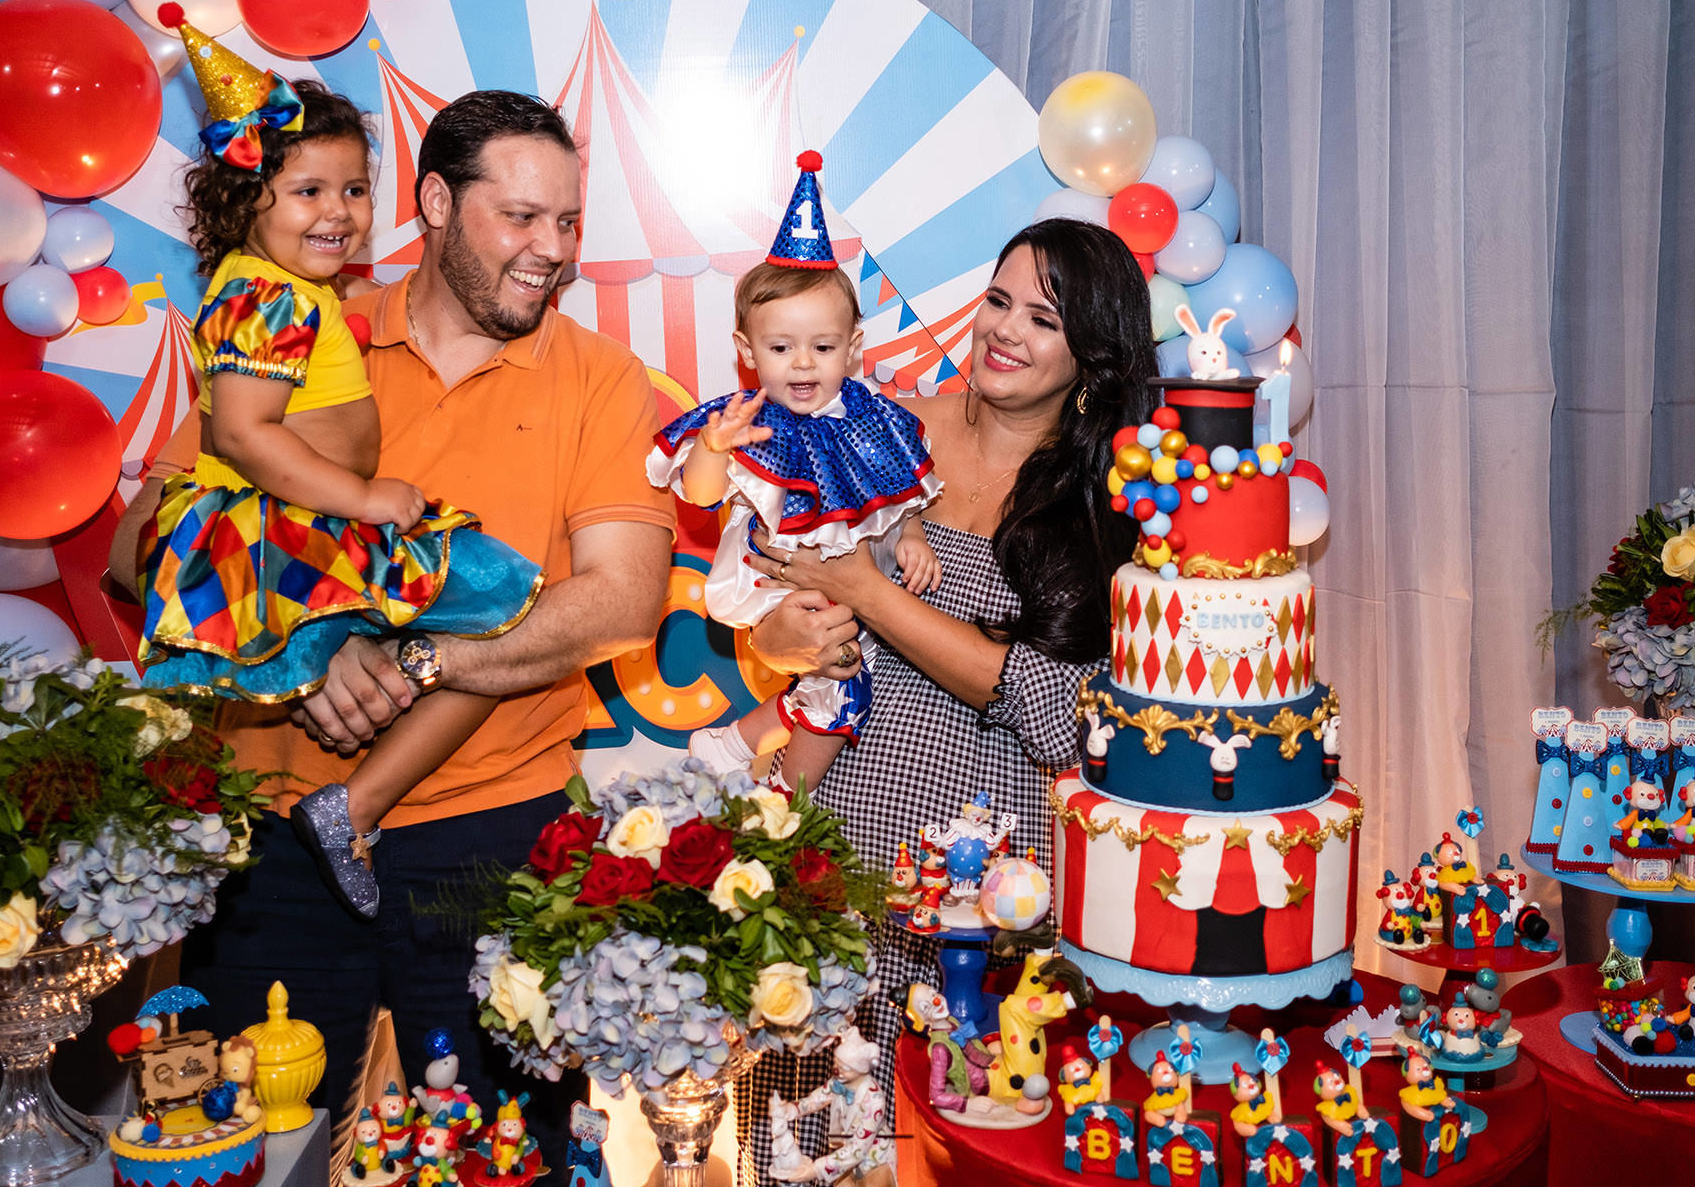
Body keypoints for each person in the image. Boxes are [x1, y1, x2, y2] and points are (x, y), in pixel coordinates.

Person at [107, 90, 673, 1170]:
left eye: (568, 222)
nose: (550, 249)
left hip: (494, 839)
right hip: (272, 839)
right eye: (520, 217)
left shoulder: (601, 379)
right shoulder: (303, 323)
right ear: (435, 203)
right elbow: (135, 551)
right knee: (240, 1147)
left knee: (515, 1150)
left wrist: (415, 658)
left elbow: (620, 599)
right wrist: (297, 641)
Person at [730, 217, 1157, 1185]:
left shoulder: (1102, 510)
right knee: (797, 1142)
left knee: (953, 1151)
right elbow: (774, 587)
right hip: (828, 861)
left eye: (1042, 318)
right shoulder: (876, 426)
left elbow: (1061, 716)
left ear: (1092, 357)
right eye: (998, 299)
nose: (1003, 329)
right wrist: (781, 634)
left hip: (974, 901)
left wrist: (872, 591)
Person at [138, 15, 543, 922]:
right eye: (307, 191)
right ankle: (342, 806)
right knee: (500, 591)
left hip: (307, 528)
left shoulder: (288, 293)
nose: (338, 213)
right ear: (246, 204)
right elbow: (244, 436)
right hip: (281, 537)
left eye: (355, 189)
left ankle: (345, 803)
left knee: (495, 616)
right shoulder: (264, 298)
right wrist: (362, 496)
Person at [646, 152, 940, 791]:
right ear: (747, 350)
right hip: (775, 578)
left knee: (839, 687)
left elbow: (901, 493)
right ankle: (781, 795)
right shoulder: (745, 420)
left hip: (856, 576)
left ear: (855, 347)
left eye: (824, 347)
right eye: (781, 348)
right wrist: (714, 450)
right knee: (838, 681)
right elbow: (698, 499)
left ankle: (751, 766)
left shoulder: (874, 415)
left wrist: (912, 535)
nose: (803, 364)